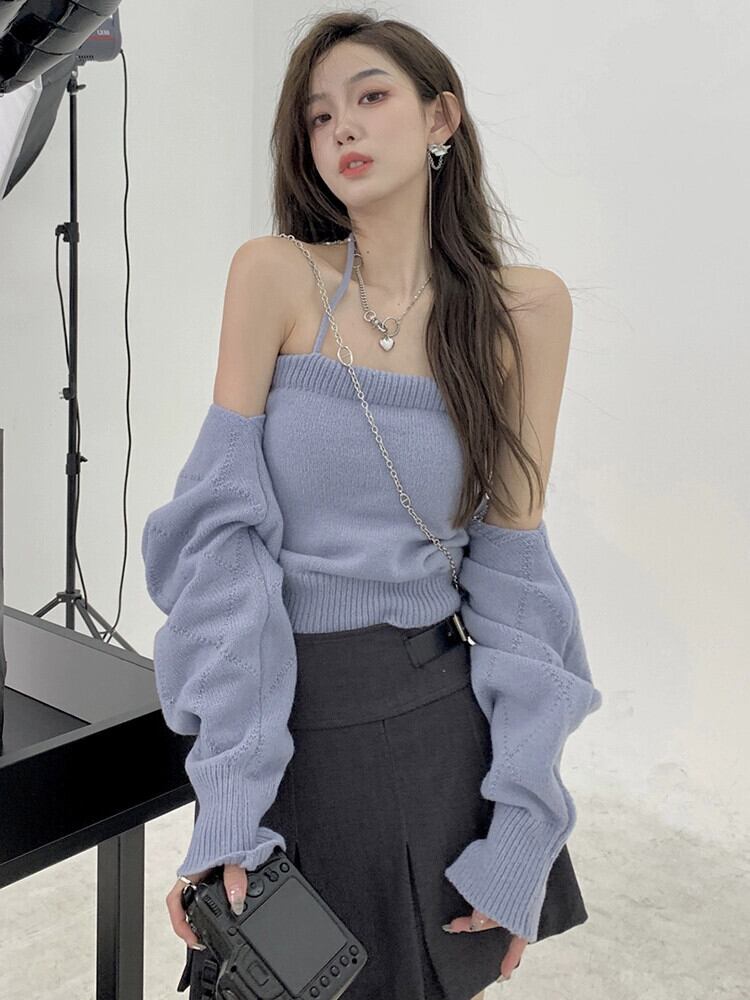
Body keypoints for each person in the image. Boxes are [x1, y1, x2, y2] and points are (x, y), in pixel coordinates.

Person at [141, 11, 603, 1000]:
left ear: (442, 118)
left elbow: (516, 573)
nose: (342, 126)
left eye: (370, 96)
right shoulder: (276, 276)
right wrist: (229, 800)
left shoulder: (525, 311)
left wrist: (523, 825)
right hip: (284, 721)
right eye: (319, 116)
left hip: (434, 730)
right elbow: (222, 547)